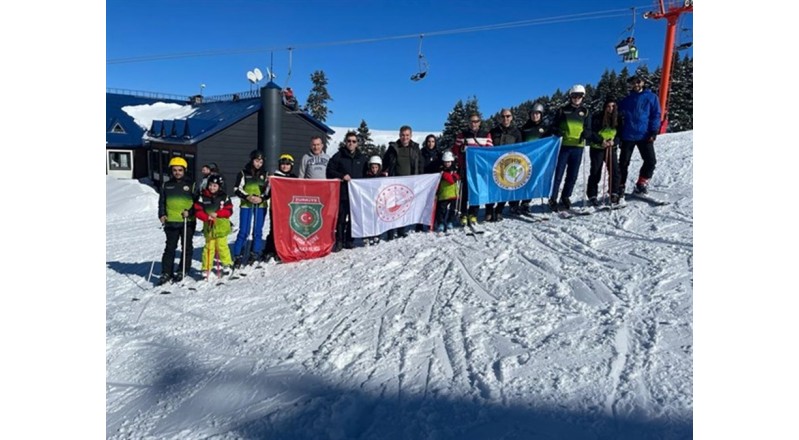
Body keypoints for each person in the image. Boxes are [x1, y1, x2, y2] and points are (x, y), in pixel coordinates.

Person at [549, 84, 592, 212]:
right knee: (559, 174)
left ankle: (565, 196)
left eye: (579, 96)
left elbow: (589, 129)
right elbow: (553, 126)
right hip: (563, 147)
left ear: (583, 97)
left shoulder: (586, 111)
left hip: (578, 147)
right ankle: (553, 198)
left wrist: (587, 134)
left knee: (572, 175)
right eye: (574, 96)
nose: (576, 98)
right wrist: (557, 131)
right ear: (570, 97)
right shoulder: (562, 110)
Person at [618, 75, 662, 197]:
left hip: (644, 135)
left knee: (650, 160)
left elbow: (655, 114)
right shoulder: (626, 100)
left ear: (643, 82)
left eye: (638, 82)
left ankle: (641, 184)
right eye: (633, 82)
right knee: (623, 163)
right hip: (628, 135)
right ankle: (619, 186)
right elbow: (616, 114)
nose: (636, 84)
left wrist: (653, 131)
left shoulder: (651, 97)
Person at [157, 157, 197, 285]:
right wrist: (162, 214)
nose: (177, 172)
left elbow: (198, 203)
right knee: (170, 247)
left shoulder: (192, 185)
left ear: (184, 170)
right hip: (171, 221)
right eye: (174, 170)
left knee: (186, 247)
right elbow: (162, 202)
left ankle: (183, 269)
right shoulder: (166, 185)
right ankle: (166, 272)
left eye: (180, 170)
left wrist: (190, 212)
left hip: (187, 221)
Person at [326, 131, 367, 252]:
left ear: (357, 143)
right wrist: (342, 175)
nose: (351, 143)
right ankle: (339, 240)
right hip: (342, 192)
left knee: (353, 218)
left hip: (356, 194)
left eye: (354, 141)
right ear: (345, 142)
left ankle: (349, 240)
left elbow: (367, 174)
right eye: (349, 141)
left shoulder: (362, 158)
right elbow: (329, 171)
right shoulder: (338, 156)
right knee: (341, 218)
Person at [452, 113, 493, 225]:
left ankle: (473, 213)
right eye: (471, 121)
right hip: (465, 167)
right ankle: (463, 214)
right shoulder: (462, 135)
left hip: (479, 169)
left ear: (479, 122)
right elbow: (455, 150)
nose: (473, 123)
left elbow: (490, 150)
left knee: (477, 191)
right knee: (464, 192)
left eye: (476, 121)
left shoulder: (486, 134)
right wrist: (461, 148)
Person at [382, 125, 422, 238]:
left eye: (407, 135)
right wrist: (383, 171)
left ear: (411, 136)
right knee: (391, 207)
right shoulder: (393, 147)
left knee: (404, 207)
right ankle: (390, 232)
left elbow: (419, 164)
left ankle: (401, 230)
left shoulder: (415, 148)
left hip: (409, 183)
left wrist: (419, 177)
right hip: (394, 182)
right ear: (399, 135)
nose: (405, 137)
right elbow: (385, 162)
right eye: (403, 135)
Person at [232, 150, 269, 267]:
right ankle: (237, 254)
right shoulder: (243, 173)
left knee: (258, 231)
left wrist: (261, 198)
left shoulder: (266, 174)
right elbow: (236, 189)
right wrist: (247, 196)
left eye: (261, 161)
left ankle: (255, 253)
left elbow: (269, 191)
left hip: (260, 205)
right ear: (252, 160)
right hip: (246, 204)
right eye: (257, 161)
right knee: (244, 230)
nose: (259, 163)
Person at [193, 174, 234, 277]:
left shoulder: (224, 197)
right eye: (210, 185)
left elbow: (229, 210)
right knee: (209, 248)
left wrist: (218, 214)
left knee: (222, 247)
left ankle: (227, 264)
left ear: (219, 186)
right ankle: (206, 268)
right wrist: (206, 217)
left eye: (215, 186)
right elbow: (198, 210)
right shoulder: (203, 197)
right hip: (209, 228)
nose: (212, 187)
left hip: (221, 227)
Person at [487, 109, 523, 221]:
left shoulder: (516, 132)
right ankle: (489, 210)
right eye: (503, 116)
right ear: (500, 118)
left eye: (508, 116)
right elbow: (487, 146)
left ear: (511, 117)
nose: (505, 118)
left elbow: (520, 148)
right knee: (492, 188)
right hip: (494, 164)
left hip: (508, 165)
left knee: (504, 188)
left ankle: (499, 210)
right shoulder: (493, 131)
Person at [587, 96, 623, 206]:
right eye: (608, 106)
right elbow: (590, 132)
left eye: (613, 106)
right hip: (597, 148)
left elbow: (620, 134)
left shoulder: (618, 118)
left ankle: (614, 193)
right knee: (595, 172)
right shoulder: (598, 117)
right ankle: (592, 195)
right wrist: (600, 140)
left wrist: (614, 142)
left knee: (614, 170)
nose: (610, 108)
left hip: (610, 147)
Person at [263, 154, 299, 261]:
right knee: (274, 229)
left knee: (288, 230)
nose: (285, 166)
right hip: (276, 209)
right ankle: (270, 250)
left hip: (290, 209)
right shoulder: (275, 177)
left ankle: (285, 249)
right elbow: (266, 194)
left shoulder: (294, 178)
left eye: (287, 164)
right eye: (283, 164)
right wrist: (268, 183)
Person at [518, 103, 551, 212]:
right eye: (533, 114)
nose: (535, 116)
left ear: (541, 115)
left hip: (539, 159)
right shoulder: (525, 128)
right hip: (526, 159)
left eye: (537, 114)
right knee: (523, 180)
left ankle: (526, 202)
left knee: (534, 181)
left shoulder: (545, 128)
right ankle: (520, 202)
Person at [435, 151, 460, 234]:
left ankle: (450, 221)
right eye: (445, 162)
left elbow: (456, 179)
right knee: (441, 210)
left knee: (453, 209)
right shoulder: (441, 171)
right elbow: (451, 180)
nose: (447, 164)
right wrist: (447, 175)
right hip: (443, 194)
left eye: (448, 162)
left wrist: (455, 176)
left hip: (453, 194)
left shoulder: (455, 169)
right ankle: (441, 223)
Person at [364, 155, 384, 245]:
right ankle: (368, 235)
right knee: (368, 219)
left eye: (376, 167)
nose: (374, 169)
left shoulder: (382, 177)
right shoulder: (366, 176)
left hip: (378, 201)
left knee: (377, 219)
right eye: (372, 167)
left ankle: (377, 234)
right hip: (368, 201)